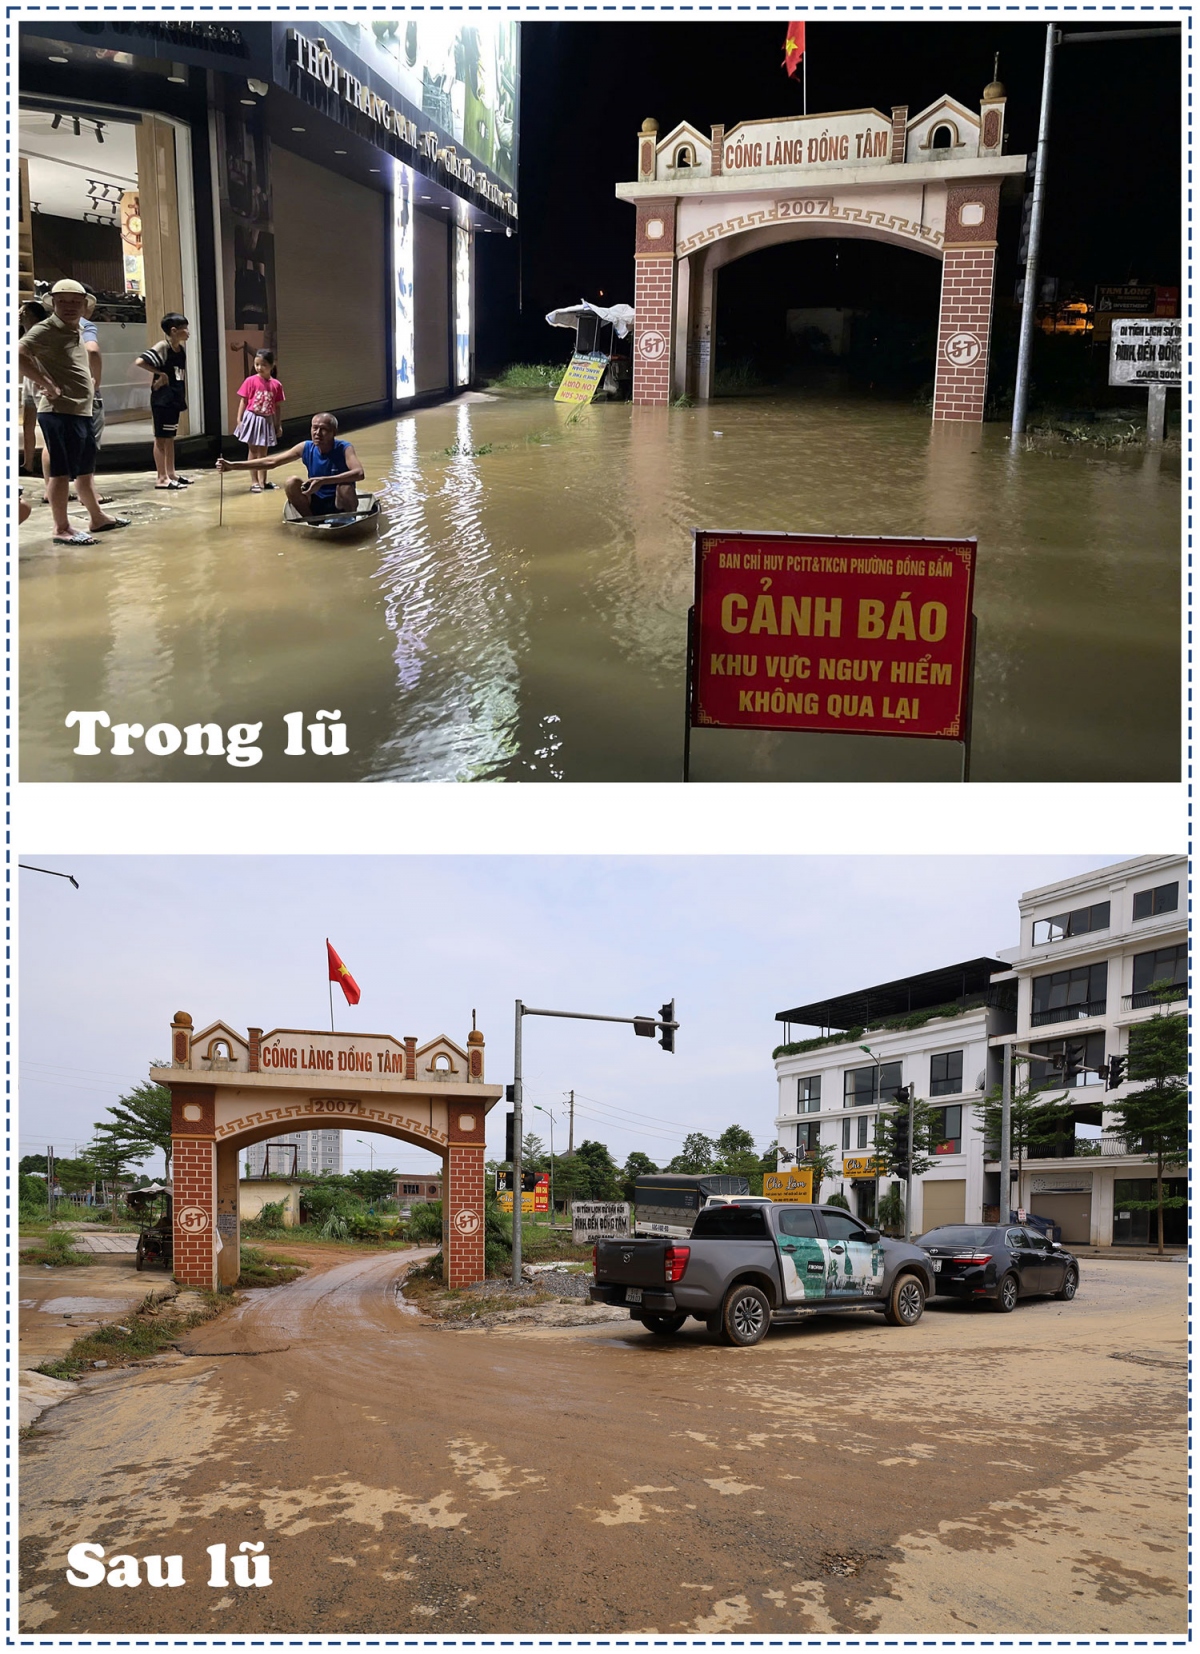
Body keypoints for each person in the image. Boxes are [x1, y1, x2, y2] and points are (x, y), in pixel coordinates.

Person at [17, 278, 128, 545]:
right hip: (58, 411)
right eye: (63, 301)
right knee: (60, 472)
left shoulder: (77, 329)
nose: (69, 306)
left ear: (84, 305)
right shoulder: (45, 329)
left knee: (86, 469)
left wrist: (89, 382)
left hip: (80, 410)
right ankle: (61, 527)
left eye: (75, 302)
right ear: (53, 303)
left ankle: (97, 517)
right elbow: (16, 353)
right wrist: (46, 384)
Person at [216, 411, 364, 517]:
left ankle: (349, 519)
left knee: (345, 487)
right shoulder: (306, 447)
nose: (317, 433)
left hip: (339, 501)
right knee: (291, 482)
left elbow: (359, 473)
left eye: (323, 429)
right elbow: (272, 461)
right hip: (315, 500)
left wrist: (323, 480)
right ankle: (311, 521)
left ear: (334, 432)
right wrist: (232, 465)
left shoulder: (344, 447)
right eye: (314, 428)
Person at [136, 312, 191, 489]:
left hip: (175, 397)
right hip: (162, 399)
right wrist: (160, 374)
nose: (188, 332)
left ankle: (171, 472)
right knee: (161, 438)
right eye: (184, 329)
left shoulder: (180, 350)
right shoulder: (163, 347)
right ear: (174, 331)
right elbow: (140, 361)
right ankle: (161, 477)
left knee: (170, 437)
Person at [233, 350, 286, 493]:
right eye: (257, 364)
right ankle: (254, 481)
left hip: (267, 420)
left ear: (272, 365)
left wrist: (278, 424)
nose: (259, 367)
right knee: (253, 450)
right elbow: (243, 401)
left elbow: (277, 406)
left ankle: (263, 481)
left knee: (263, 452)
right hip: (252, 418)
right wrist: (239, 419)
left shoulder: (276, 385)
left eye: (263, 364)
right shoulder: (250, 381)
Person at [18, 299, 45, 475]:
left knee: (44, 426)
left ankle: (46, 466)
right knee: (28, 425)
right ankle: (27, 464)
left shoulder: (40, 334)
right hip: (30, 383)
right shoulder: (26, 334)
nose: (20, 315)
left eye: (24, 312)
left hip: (40, 383)